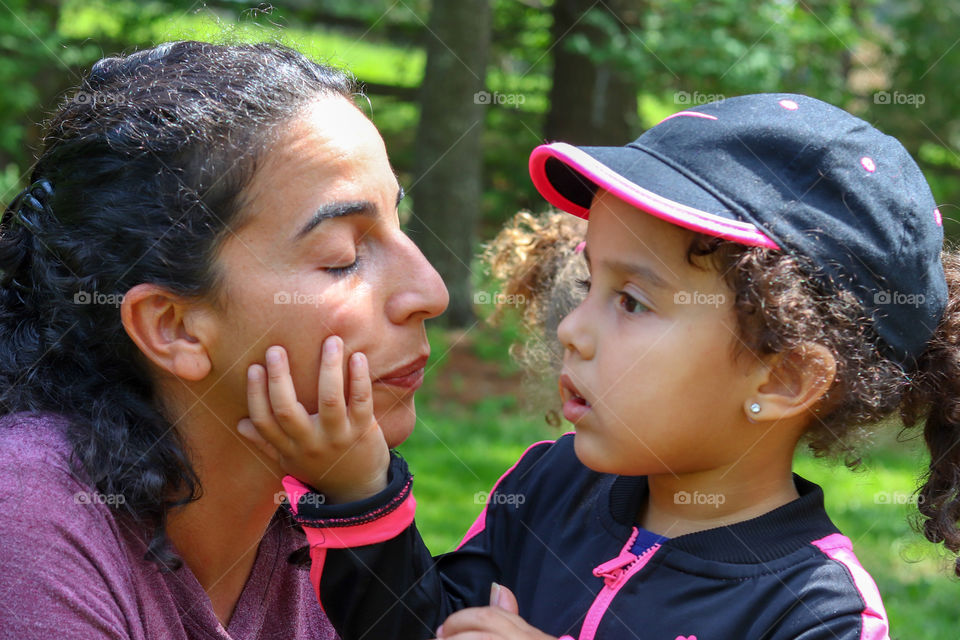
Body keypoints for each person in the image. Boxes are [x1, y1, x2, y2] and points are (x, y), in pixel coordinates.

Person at [239, 94, 960, 640]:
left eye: (634, 302)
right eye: (591, 286)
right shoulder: (546, 488)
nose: (574, 328)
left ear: (783, 379)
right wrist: (360, 491)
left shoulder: (815, 612)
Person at [0, 40, 448, 638]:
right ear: (173, 326)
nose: (431, 291)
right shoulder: (30, 512)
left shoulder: (336, 509)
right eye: (343, 257)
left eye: (400, 221)